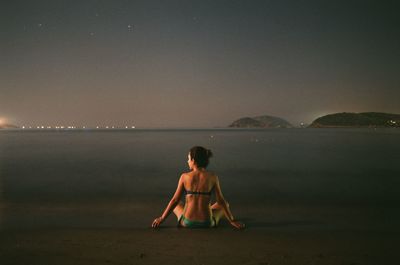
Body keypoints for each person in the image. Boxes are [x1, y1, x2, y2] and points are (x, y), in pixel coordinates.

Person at [151, 146, 245, 229]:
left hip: (187, 223)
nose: (187, 161)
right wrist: (232, 221)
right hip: (207, 223)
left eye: (188, 159)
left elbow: (175, 200)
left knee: (178, 203)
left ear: (193, 160)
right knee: (225, 205)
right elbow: (221, 201)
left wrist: (162, 218)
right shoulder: (213, 177)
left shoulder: (184, 177)